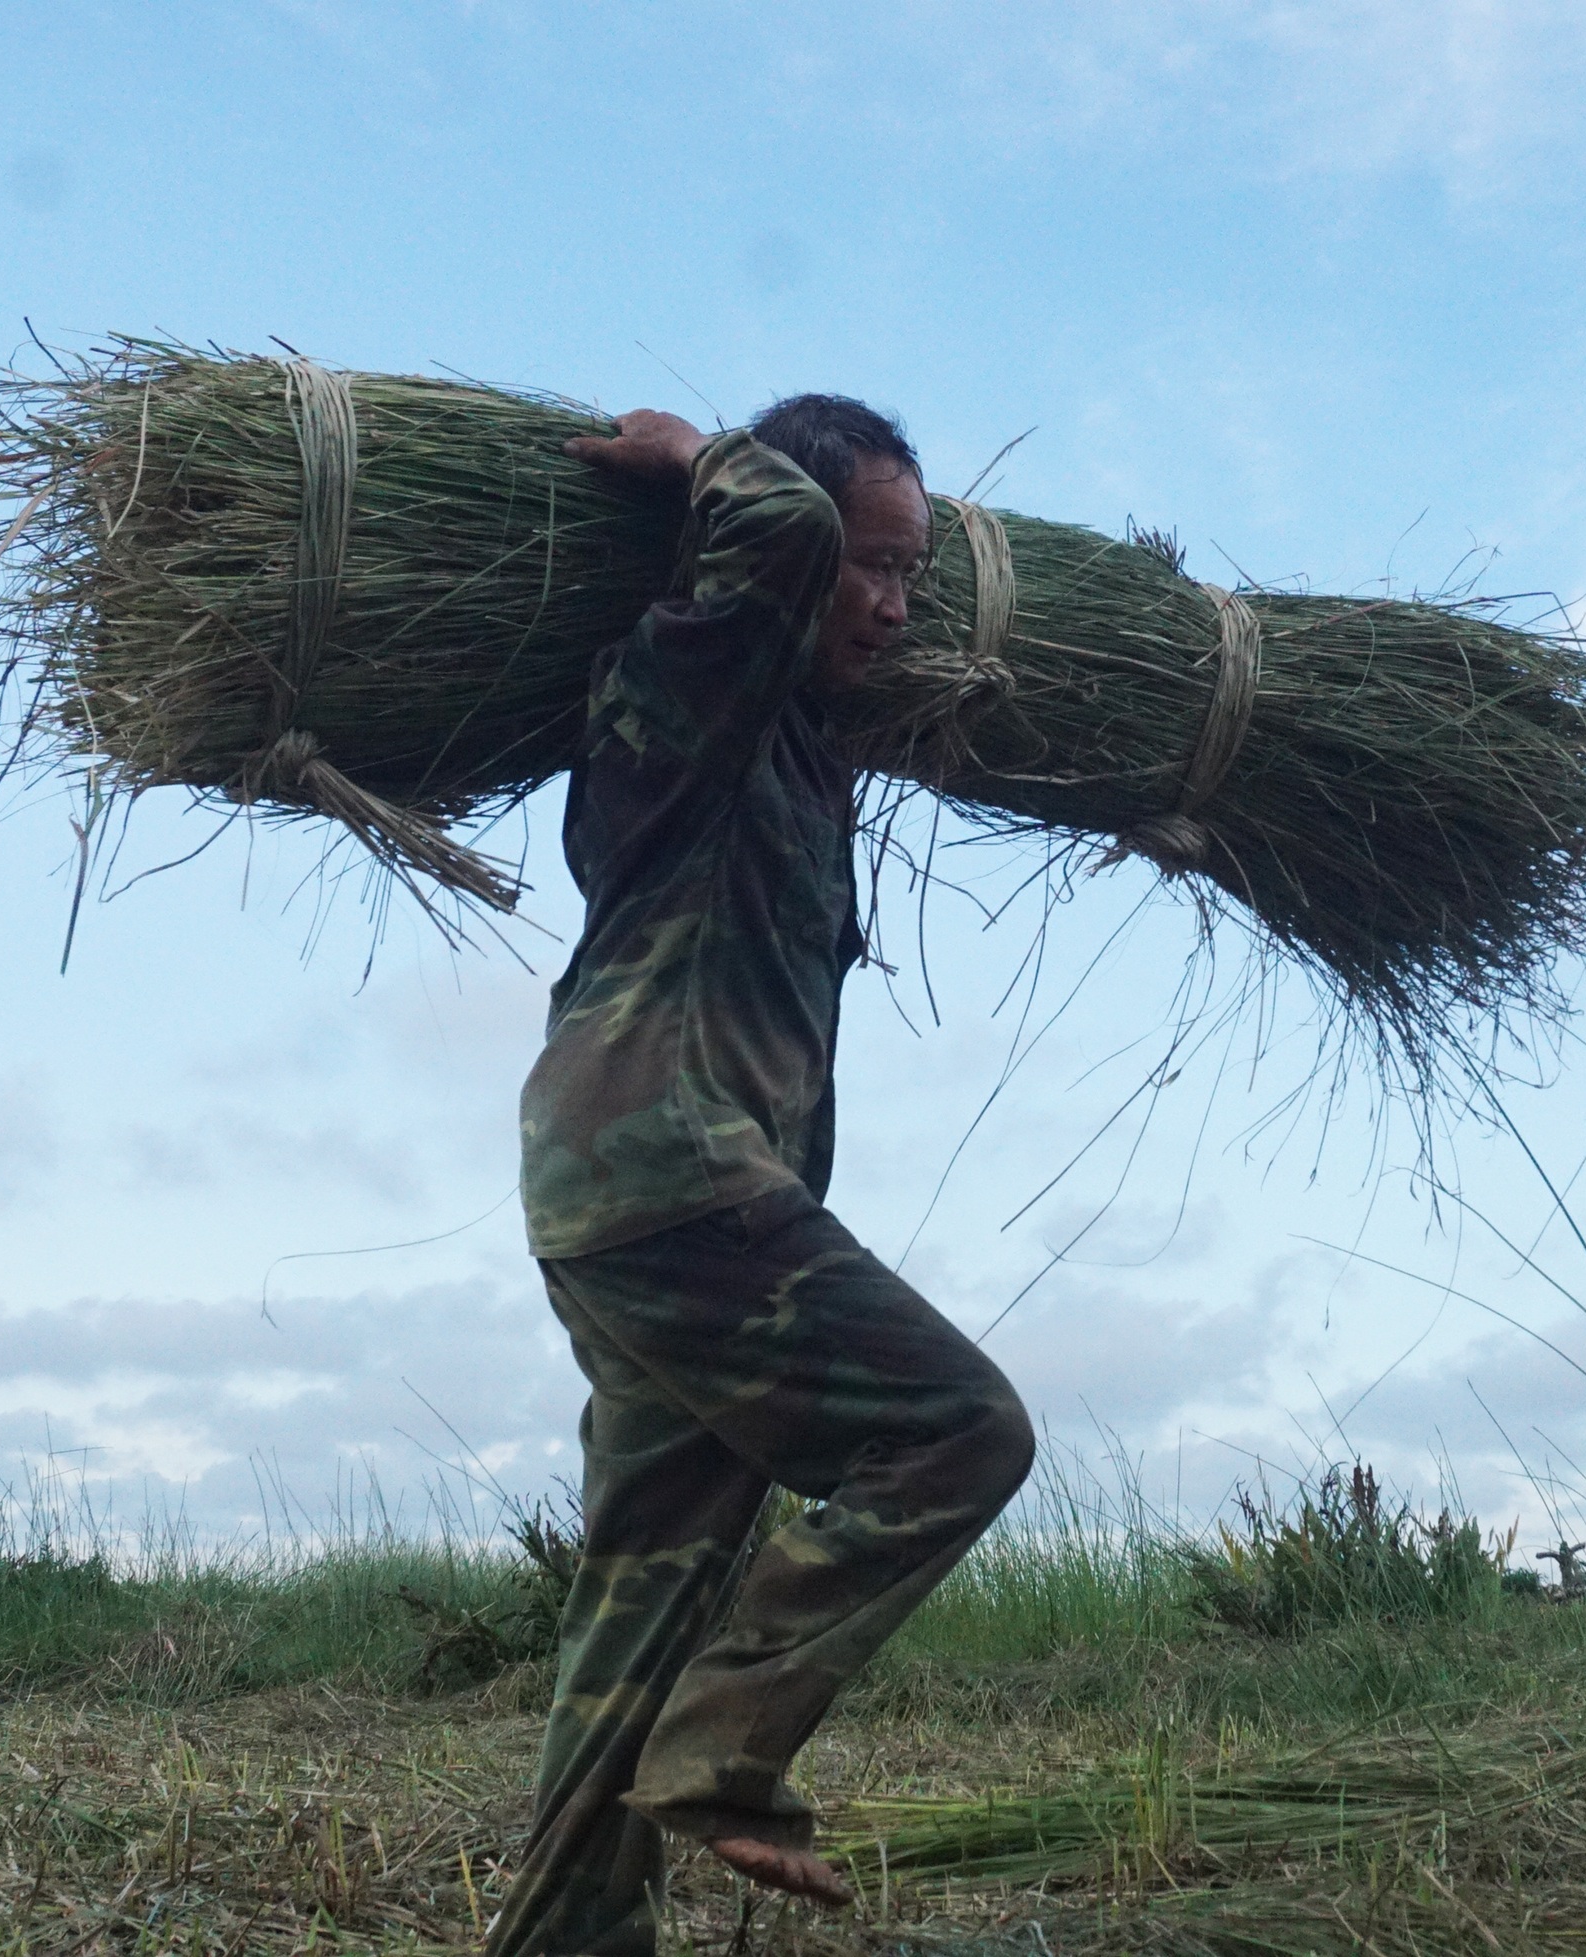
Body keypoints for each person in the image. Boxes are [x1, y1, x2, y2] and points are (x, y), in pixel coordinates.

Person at [487, 397, 1037, 1957]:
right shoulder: (694, 675)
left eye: (914, 577)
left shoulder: (802, 751)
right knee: (960, 1428)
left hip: (664, 1200)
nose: (890, 602)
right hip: (664, 1171)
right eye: (872, 564)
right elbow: (777, 535)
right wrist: (701, 455)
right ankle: (728, 1743)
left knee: (636, 1622)